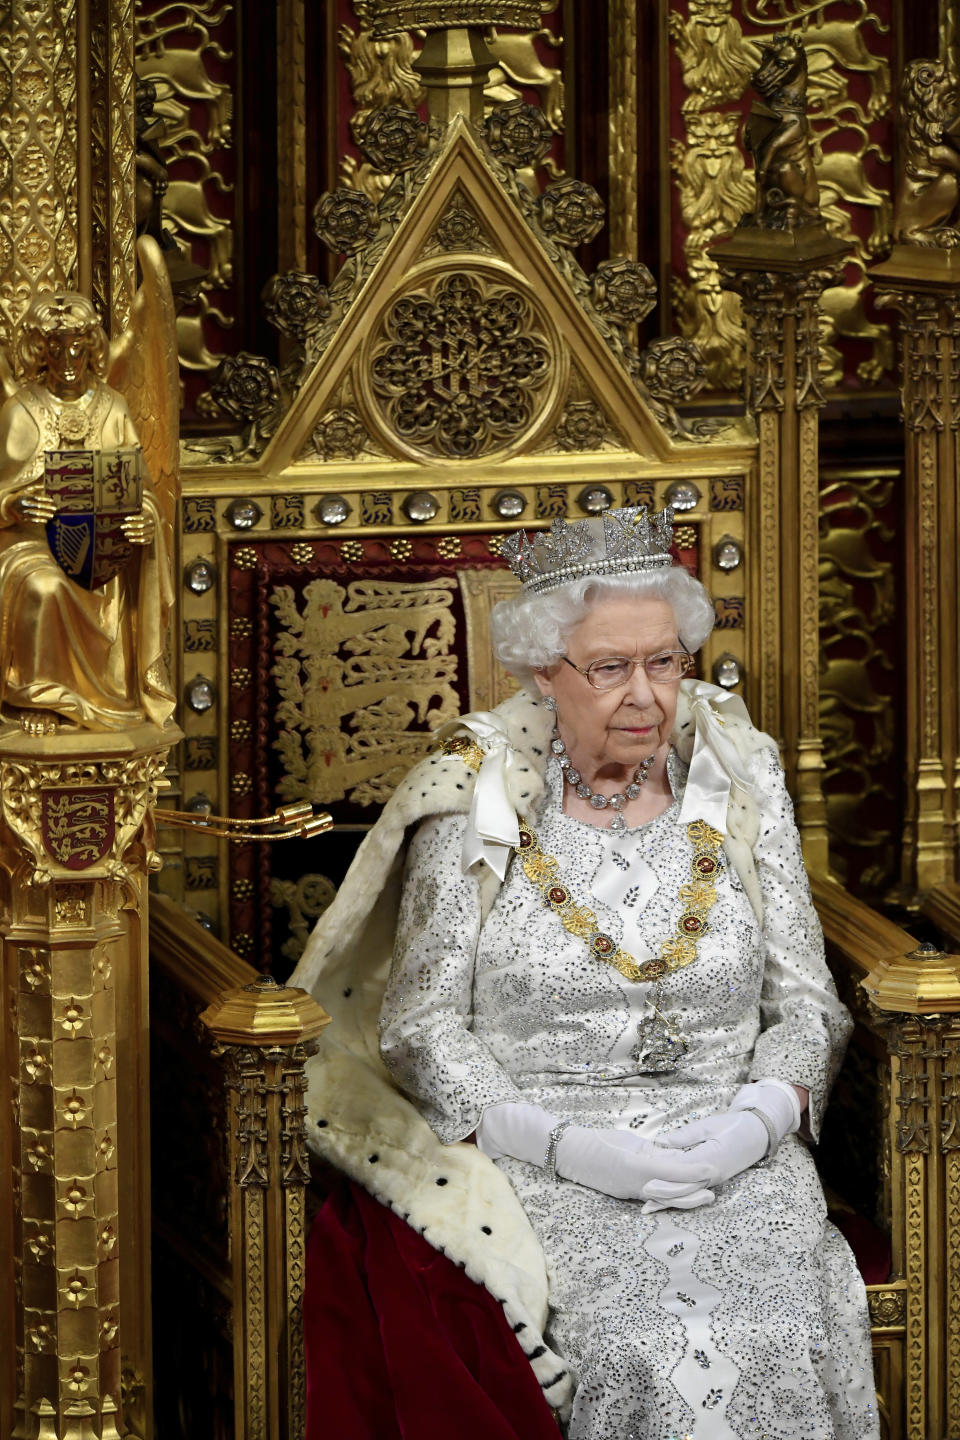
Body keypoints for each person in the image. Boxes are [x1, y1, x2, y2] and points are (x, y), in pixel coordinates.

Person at [293, 505, 878, 1440]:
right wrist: (573, 1150)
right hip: (544, 1154)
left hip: (736, 1148)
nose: (645, 694)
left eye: (664, 660)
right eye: (609, 668)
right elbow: (421, 1025)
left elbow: (809, 1001)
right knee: (632, 1336)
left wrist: (751, 1128)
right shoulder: (475, 791)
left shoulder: (739, 772)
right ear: (540, 673)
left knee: (772, 1324)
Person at [0, 290, 175, 733]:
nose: (68, 357)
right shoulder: (20, 409)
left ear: (92, 346)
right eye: (56, 346)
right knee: (44, 588)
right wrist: (14, 504)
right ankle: (38, 696)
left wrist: (143, 519)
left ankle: (110, 695)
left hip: (102, 547)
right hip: (30, 544)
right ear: (41, 351)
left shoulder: (112, 406)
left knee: (109, 583)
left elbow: (143, 489)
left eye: (77, 343)